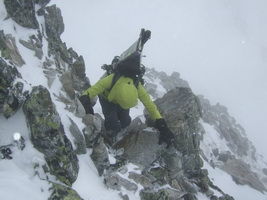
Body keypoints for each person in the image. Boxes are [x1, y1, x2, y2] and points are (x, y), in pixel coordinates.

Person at [79, 69, 174, 148]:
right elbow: (92, 90)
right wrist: (85, 101)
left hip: (123, 101)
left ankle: (120, 133)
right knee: (112, 124)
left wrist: (162, 125)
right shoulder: (111, 79)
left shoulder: (137, 86)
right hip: (106, 98)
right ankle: (110, 135)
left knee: (125, 121)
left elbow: (150, 106)